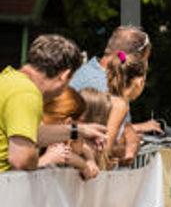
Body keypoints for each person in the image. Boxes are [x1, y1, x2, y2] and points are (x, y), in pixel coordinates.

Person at [0, 34, 106, 173]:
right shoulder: (27, 93)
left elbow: (33, 134)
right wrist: (45, 161)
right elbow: (22, 159)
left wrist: (80, 131)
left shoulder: (8, 79)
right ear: (64, 75)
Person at [68, 25, 159, 159]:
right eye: (143, 62)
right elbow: (105, 146)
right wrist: (128, 143)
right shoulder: (105, 87)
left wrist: (132, 130)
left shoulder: (91, 71)